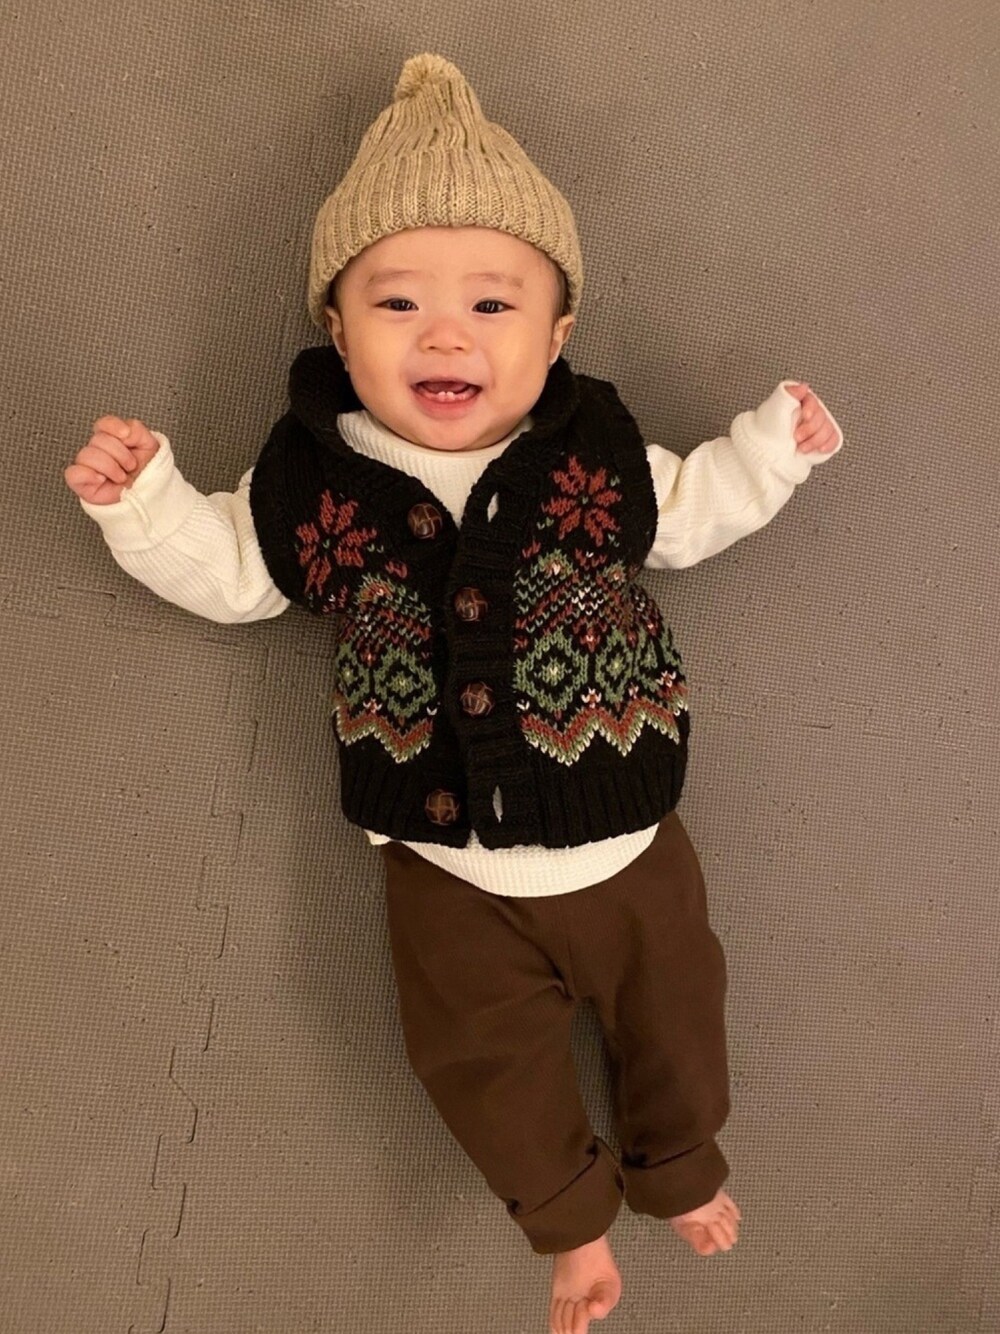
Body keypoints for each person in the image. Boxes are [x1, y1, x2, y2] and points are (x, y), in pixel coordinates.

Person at [64, 52, 843, 1334]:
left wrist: (770, 450)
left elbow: (690, 508)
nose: (444, 334)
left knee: (678, 1013)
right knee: (476, 1059)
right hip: (443, 865)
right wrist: (144, 503)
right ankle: (569, 1222)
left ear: (556, 333)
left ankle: (680, 1161)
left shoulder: (591, 454)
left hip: (626, 834)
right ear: (337, 329)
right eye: (396, 301)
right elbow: (237, 575)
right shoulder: (315, 479)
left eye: (492, 302)